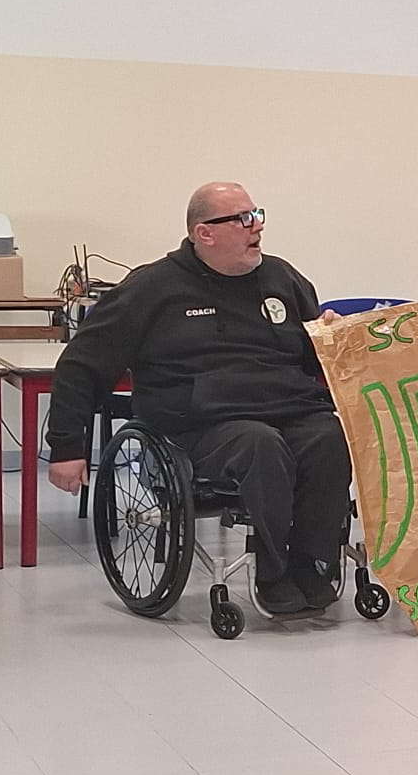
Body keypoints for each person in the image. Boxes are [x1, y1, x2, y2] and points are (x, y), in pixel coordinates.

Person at [46, 183, 352, 618]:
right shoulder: (154, 288)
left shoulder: (282, 278)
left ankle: (313, 563)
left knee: (330, 437)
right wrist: (67, 446)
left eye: (256, 215)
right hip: (198, 424)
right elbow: (83, 363)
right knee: (259, 444)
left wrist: (330, 336)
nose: (257, 227)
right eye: (242, 219)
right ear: (204, 233)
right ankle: (273, 572)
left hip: (289, 408)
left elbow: (311, 357)